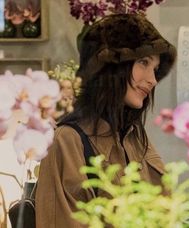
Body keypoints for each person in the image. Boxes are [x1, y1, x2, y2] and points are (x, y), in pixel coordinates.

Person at [35, 13, 176, 228]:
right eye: (143, 62)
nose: (153, 79)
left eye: (155, 69)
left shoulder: (134, 135)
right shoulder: (66, 141)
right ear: (109, 66)